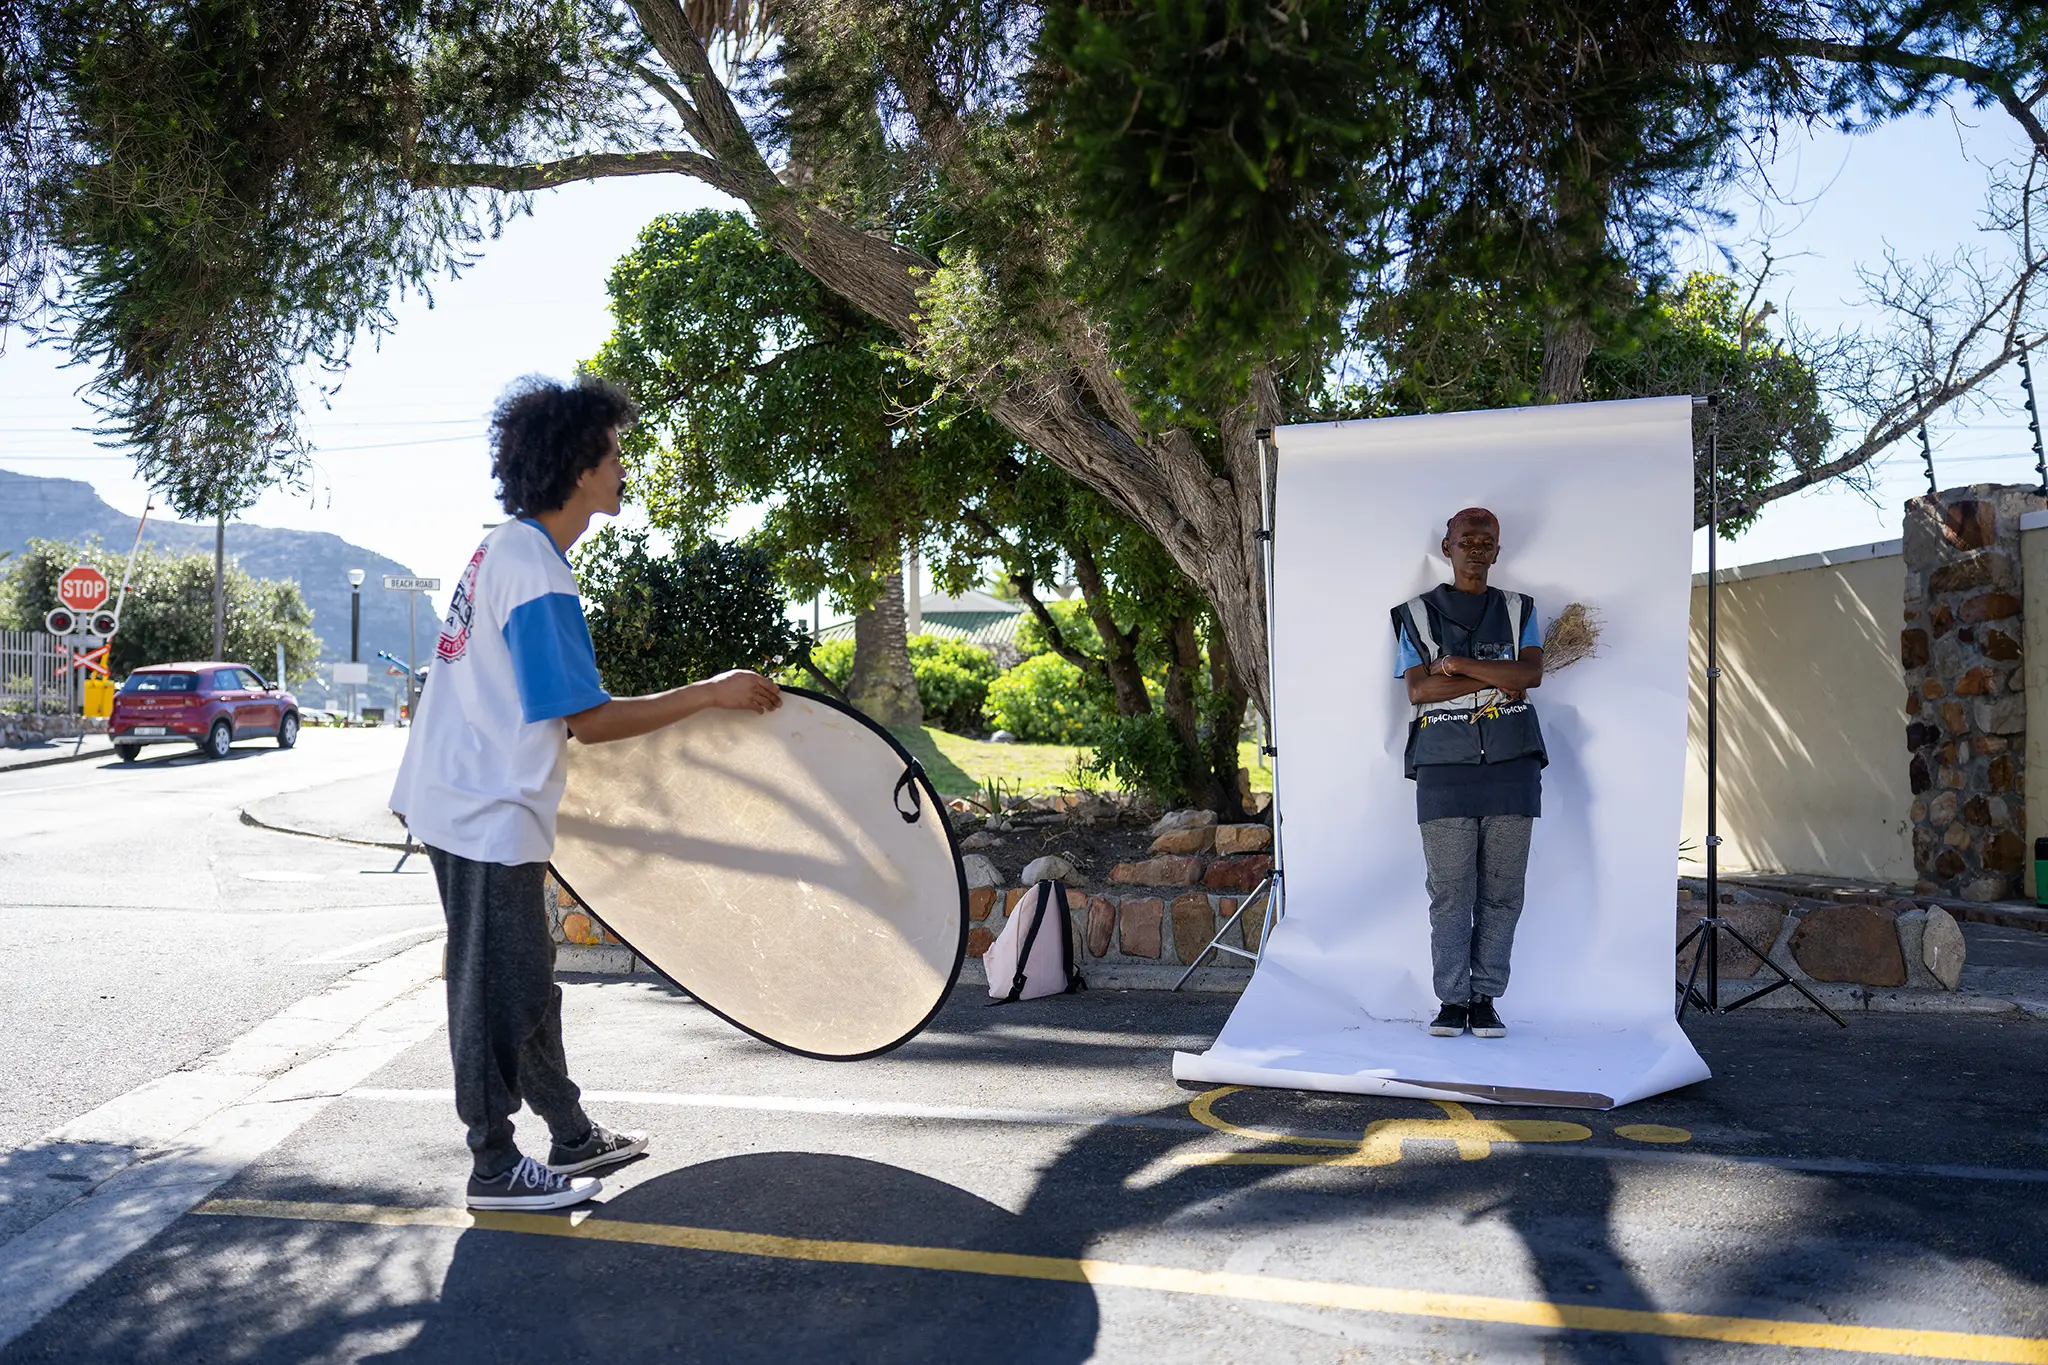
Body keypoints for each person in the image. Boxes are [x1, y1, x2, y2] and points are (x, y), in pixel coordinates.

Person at [391, 375, 783, 1211]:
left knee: (520, 974)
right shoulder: (535, 568)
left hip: (468, 800)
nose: (622, 465)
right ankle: (493, 1165)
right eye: (613, 452)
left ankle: (568, 1135)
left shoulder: (509, 548)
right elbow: (587, 719)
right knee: (499, 985)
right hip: (483, 810)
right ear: (578, 468)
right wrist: (710, 691)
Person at [1391, 508, 1545, 1040]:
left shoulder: (1519, 608)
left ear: (1498, 550)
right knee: (1451, 892)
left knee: (1504, 893)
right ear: (1447, 545)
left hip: (1513, 764)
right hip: (1442, 767)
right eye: (1467, 539)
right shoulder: (1414, 613)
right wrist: (1496, 676)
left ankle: (1486, 1001)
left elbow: (1531, 674)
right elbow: (1418, 691)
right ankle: (1451, 1003)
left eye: (1487, 541)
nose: (1477, 548)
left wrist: (1455, 665)